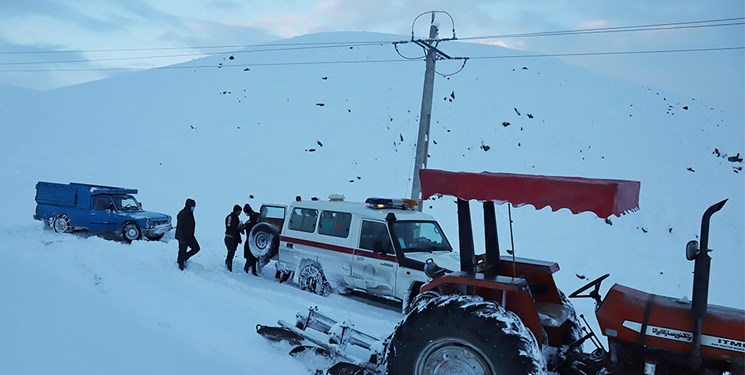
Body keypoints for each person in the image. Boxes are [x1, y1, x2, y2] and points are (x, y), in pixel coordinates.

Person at [176, 198, 200, 270]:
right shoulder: (182, 214)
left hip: (190, 236)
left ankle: (185, 257)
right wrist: (181, 238)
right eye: (192, 206)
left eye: (194, 206)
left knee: (196, 248)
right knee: (182, 250)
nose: (193, 208)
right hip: (183, 237)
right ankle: (180, 264)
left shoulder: (190, 213)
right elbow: (179, 227)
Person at [241, 203, 260, 275]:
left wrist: (244, 227)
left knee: (250, 256)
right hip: (255, 241)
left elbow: (248, 230)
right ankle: (253, 270)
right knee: (253, 257)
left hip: (251, 240)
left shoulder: (251, 220)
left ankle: (247, 269)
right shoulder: (257, 215)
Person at [224, 204, 243, 272]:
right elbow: (229, 226)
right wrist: (237, 227)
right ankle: (229, 268)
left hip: (234, 238)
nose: (240, 213)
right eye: (239, 212)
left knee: (232, 252)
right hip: (229, 237)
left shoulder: (236, 218)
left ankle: (227, 264)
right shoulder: (230, 217)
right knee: (230, 252)